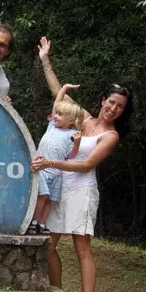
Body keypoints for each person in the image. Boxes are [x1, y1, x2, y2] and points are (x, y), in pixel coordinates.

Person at [31, 37, 133, 292]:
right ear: (103, 101)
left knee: (81, 248)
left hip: (81, 191)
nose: (114, 109)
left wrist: (50, 163)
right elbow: (59, 95)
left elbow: (86, 164)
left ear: (123, 111)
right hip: (60, 188)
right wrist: (45, 60)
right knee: (48, 245)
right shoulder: (83, 120)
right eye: (111, 102)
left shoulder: (110, 136)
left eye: (120, 107)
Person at [27, 84, 84, 235]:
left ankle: (42, 224)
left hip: (56, 173)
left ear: (70, 120)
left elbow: (70, 156)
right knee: (42, 196)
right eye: (56, 113)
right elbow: (55, 105)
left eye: (60, 114)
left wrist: (77, 143)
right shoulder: (52, 126)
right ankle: (33, 221)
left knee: (49, 201)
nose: (55, 116)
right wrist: (63, 89)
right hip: (42, 169)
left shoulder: (73, 134)